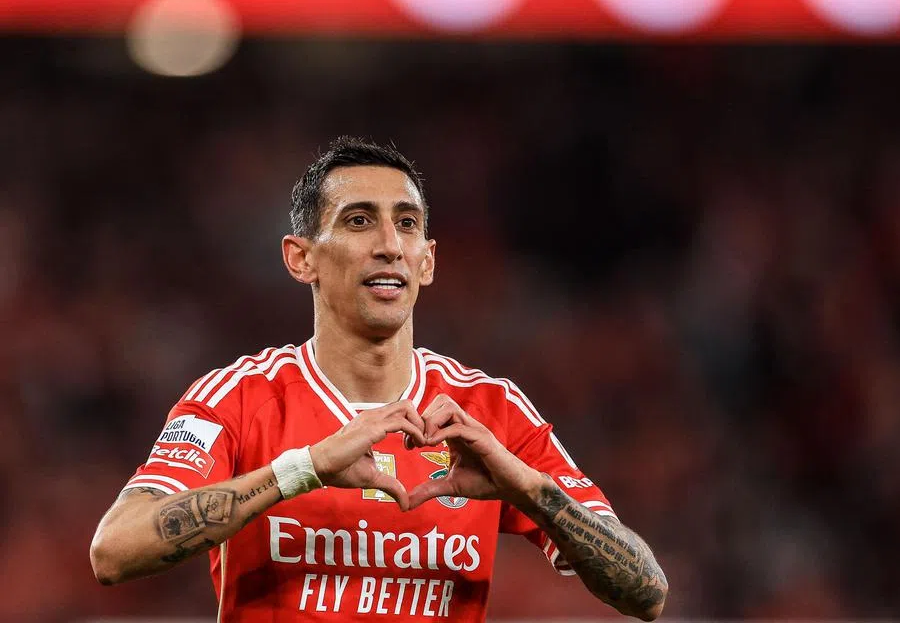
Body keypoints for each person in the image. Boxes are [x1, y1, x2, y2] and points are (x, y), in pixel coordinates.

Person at [89, 136, 668, 622]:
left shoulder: (489, 410)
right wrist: (303, 470)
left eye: (407, 224)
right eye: (359, 220)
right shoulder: (238, 399)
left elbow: (647, 591)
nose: (389, 245)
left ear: (428, 260)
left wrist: (529, 490)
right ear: (301, 258)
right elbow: (115, 551)